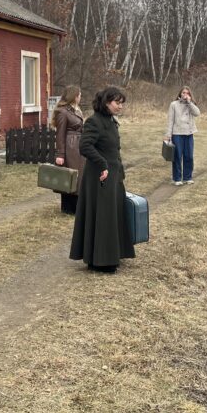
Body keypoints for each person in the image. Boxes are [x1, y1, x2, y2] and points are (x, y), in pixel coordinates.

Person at [70, 86, 135, 273]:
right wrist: (102, 163)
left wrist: (118, 170)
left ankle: (111, 255)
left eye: (122, 103)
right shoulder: (94, 121)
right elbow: (85, 146)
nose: (120, 106)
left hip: (113, 176)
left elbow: (113, 149)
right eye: (117, 102)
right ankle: (100, 260)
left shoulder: (111, 121)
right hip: (99, 176)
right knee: (103, 216)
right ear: (106, 102)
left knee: (112, 215)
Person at [52, 85, 84, 215]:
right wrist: (60, 154)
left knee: (78, 176)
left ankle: (76, 206)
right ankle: (68, 208)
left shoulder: (75, 110)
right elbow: (60, 134)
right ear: (74, 96)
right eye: (79, 95)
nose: (80, 97)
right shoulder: (63, 112)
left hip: (78, 147)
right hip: (70, 148)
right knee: (69, 176)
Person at [163, 85, 201, 185]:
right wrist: (168, 134)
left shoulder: (191, 104)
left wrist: (189, 102)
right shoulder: (174, 104)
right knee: (177, 156)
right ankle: (177, 178)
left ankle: (188, 177)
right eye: (183, 93)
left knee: (189, 156)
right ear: (180, 93)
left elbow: (197, 113)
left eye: (187, 93)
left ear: (190, 95)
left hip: (189, 133)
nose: (185, 95)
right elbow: (170, 120)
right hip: (177, 133)